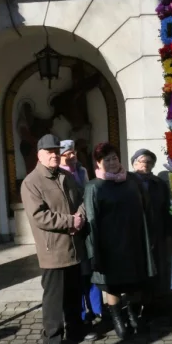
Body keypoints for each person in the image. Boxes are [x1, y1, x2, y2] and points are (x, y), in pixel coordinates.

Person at [19, 134, 98, 344]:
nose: (54, 155)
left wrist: (80, 217)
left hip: (74, 245)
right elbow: (39, 216)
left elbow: (82, 200)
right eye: (49, 152)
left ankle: (75, 329)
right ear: (39, 155)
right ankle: (52, 337)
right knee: (54, 297)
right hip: (52, 250)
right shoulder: (31, 182)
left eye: (56, 151)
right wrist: (69, 221)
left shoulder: (66, 176)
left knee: (73, 293)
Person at [82, 143, 157, 339]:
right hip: (109, 245)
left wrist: (149, 236)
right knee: (112, 285)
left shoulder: (132, 180)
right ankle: (117, 319)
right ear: (98, 163)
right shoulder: (93, 186)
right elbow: (91, 218)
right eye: (106, 160)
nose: (112, 162)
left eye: (114, 158)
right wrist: (94, 249)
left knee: (134, 282)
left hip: (133, 241)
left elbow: (146, 207)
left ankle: (132, 315)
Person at [60, 139, 102, 328]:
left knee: (89, 270)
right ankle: (81, 313)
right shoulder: (59, 174)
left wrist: (82, 215)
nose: (71, 156)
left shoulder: (82, 171)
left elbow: (86, 194)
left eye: (73, 152)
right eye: (66, 153)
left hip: (84, 225)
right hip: (68, 228)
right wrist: (73, 220)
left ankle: (96, 309)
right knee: (76, 274)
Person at [131, 149, 172, 298]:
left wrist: (169, 232)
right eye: (142, 161)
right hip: (136, 234)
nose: (145, 164)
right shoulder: (127, 183)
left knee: (157, 267)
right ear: (134, 163)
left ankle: (155, 302)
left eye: (149, 162)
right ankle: (137, 302)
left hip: (156, 233)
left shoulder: (159, 184)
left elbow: (166, 209)